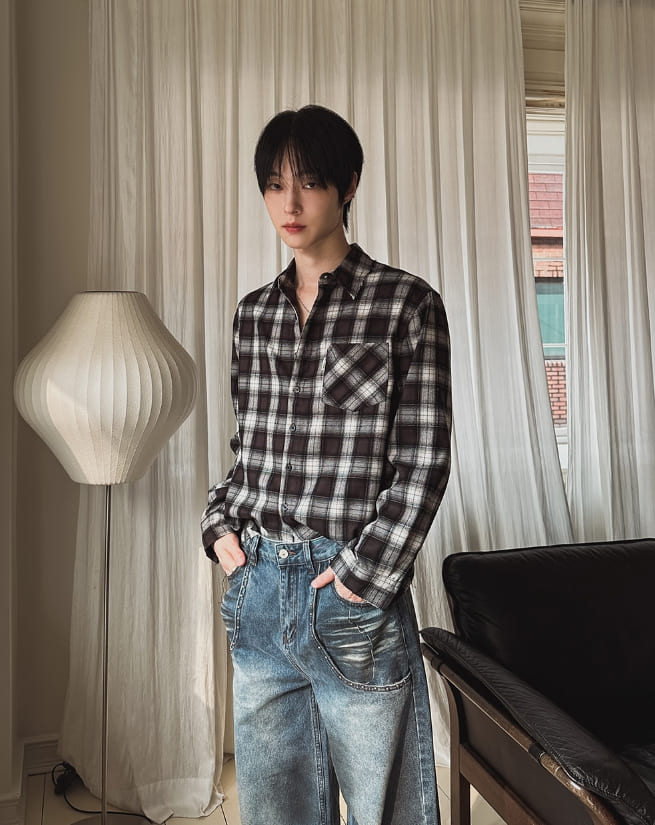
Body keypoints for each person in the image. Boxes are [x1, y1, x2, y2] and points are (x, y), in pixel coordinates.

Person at [201, 104, 451, 825]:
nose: (290, 203)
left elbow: (423, 463)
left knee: (386, 807)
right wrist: (219, 525)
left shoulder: (406, 305)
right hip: (256, 588)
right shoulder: (253, 315)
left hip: (349, 589)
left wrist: (360, 577)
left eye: (309, 182)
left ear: (348, 185)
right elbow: (248, 450)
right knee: (275, 811)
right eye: (274, 184)